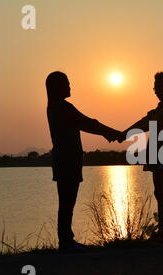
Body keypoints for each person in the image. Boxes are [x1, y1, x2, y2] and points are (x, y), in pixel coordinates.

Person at [46, 71, 119, 252]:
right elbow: (88, 123)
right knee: (67, 202)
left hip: (64, 160)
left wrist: (107, 132)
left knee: (67, 202)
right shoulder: (62, 107)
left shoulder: (55, 106)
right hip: (67, 160)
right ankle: (66, 242)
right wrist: (112, 132)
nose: (70, 86)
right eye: (67, 83)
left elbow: (86, 123)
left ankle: (67, 240)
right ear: (58, 87)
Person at [118, 72, 163, 242]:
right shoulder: (160, 107)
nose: (155, 90)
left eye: (158, 86)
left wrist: (126, 134)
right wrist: (125, 133)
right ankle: (162, 232)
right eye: (155, 86)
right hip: (157, 155)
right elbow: (145, 120)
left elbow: (151, 123)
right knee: (160, 193)